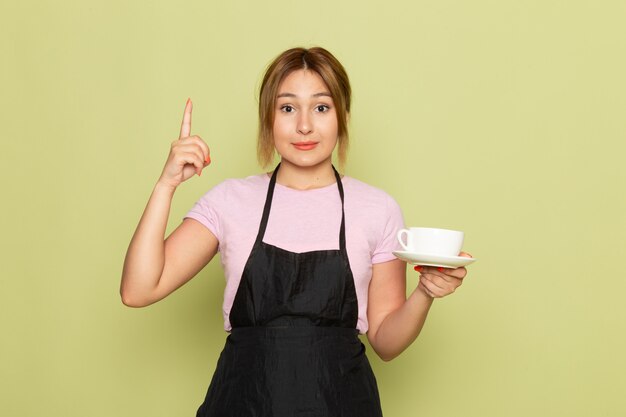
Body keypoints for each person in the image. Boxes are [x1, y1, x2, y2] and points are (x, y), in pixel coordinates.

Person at [120, 46, 470, 417]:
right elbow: (138, 290)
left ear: (342, 116)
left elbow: (385, 340)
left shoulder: (377, 209)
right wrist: (166, 186)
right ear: (268, 118)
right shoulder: (230, 201)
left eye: (321, 107)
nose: (304, 125)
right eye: (287, 108)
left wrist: (426, 292)